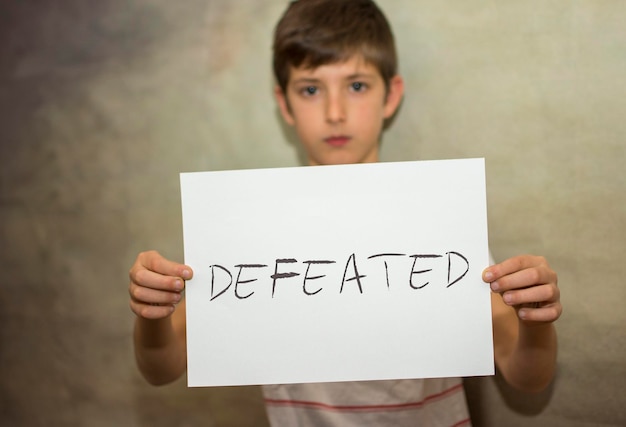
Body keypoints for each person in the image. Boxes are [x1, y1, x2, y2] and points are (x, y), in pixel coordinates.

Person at [129, 0, 562, 425]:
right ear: (285, 105)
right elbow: (162, 367)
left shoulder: (438, 218)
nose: (335, 113)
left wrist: (535, 318)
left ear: (390, 95)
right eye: (311, 89)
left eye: (356, 86)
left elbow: (525, 374)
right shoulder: (252, 227)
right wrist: (153, 315)